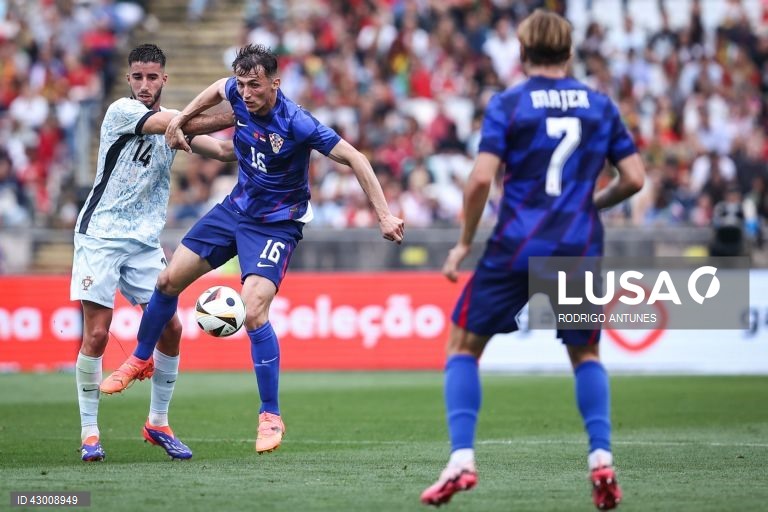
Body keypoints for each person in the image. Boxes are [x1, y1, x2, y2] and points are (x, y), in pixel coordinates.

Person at [101, 44, 405, 454]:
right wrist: (183, 121)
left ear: (275, 83)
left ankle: (270, 416)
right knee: (168, 279)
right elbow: (216, 88)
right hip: (235, 209)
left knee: (254, 309)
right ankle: (140, 358)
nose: (245, 93)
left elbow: (356, 158)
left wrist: (384, 214)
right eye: (241, 85)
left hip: (276, 225)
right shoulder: (238, 96)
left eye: (255, 85)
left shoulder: (297, 122)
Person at [420, 10, 645, 510]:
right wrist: (593, 202)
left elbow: (479, 180)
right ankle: (601, 459)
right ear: (569, 52)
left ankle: (461, 460)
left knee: (462, 346)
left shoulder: (509, 104)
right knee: (585, 354)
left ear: (521, 54)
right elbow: (633, 178)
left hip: (516, 245)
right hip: (578, 244)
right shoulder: (600, 106)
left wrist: (462, 243)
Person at [72, 43, 236, 462]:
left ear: (164, 79)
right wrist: (247, 110)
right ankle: (90, 433)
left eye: (152, 77)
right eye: (138, 77)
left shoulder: (174, 124)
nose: (145, 85)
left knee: (172, 329)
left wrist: (272, 143)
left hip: (145, 242)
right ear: (129, 80)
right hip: (102, 235)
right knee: (97, 333)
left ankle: (157, 423)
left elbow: (219, 150)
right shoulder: (121, 112)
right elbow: (183, 123)